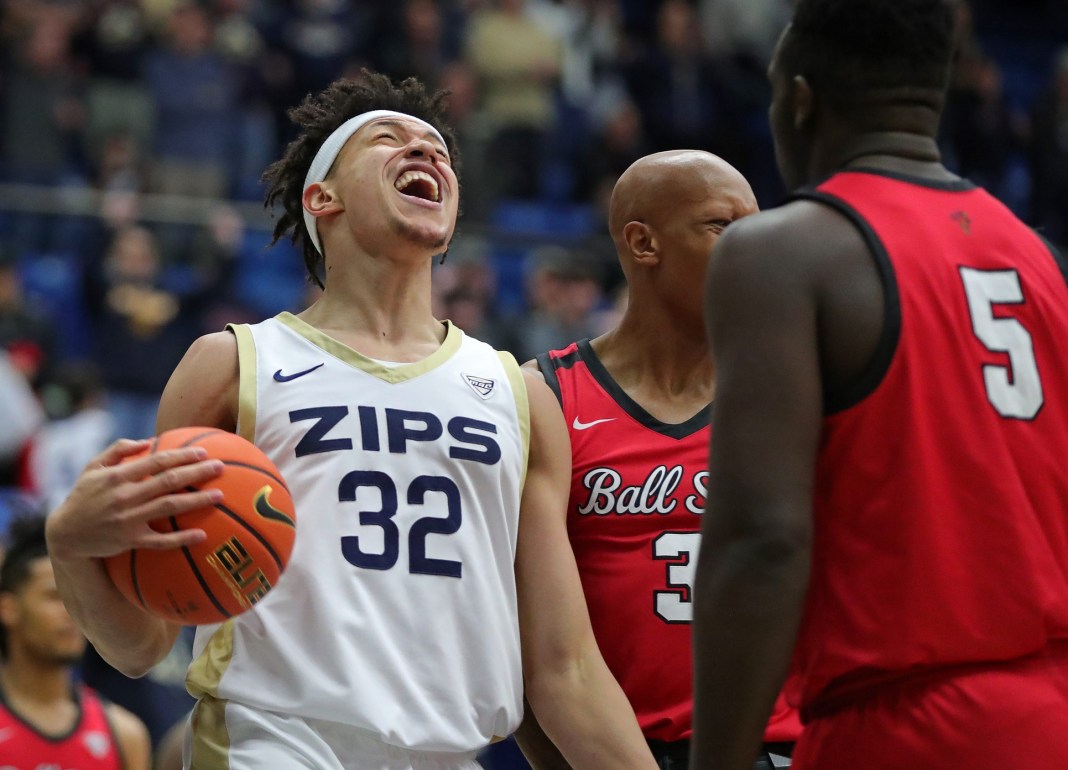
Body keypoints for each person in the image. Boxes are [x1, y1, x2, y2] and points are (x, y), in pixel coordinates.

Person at [44, 71, 657, 770]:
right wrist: (72, 547)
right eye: (387, 139)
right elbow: (142, 645)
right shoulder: (236, 365)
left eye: (438, 149)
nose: (426, 153)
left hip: (450, 752)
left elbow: (566, 668)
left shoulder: (515, 393)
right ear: (322, 197)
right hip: (274, 742)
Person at [689, 1, 1068, 768]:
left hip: (901, 727)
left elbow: (763, 540)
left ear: (800, 99)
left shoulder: (784, 253)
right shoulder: (1039, 261)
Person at [514, 150, 800, 770]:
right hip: (615, 753)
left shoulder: (793, 394)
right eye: (723, 226)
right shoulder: (546, 396)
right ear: (644, 243)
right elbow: (529, 650)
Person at [0, 515, 151, 770]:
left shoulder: (125, 734)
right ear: (8, 608)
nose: (72, 611)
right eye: (54, 596)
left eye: (75, 597)